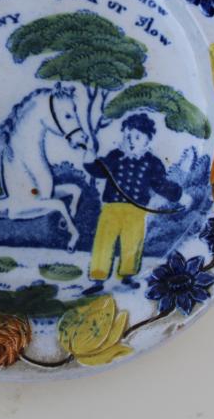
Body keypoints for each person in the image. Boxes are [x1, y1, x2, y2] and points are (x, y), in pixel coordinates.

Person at [82, 113, 184, 295]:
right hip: (111, 207)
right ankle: (98, 278)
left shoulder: (152, 162)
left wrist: (179, 195)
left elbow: (160, 184)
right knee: (103, 241)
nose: (131, 141)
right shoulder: (115, 156)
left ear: (147, 140)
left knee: (132, 242)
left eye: (137, 137)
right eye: (127, 136)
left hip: (136, 210)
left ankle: (128, 276)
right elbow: (99, 171)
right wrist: (89, 159)